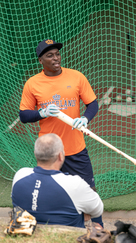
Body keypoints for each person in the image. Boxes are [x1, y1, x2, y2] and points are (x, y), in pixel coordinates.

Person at [18, 39, 103, 226]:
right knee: (51, 192)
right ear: (40, 60)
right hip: (50, 151)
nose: (56, 58)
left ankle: (100, 231)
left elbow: (93, 103)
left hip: (75, 148)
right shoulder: (32, 84)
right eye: (50, 55)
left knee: (90, 191)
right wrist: (41, 113)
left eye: (57, 53)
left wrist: (86, 119)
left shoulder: (76, 77)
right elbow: (24, 115)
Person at [11, 133, 103, 228]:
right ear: (60, 156)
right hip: (68, 237)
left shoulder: (20, 175)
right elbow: (98, 210)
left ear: (35, 154)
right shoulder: (74, 184)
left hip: (26, 236)